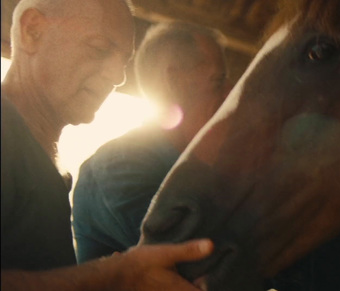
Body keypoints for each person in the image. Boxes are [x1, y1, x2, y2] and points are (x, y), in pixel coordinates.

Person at [1, 0, 215, 290]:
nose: (118, 76)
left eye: (124, 61)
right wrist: (113, 274)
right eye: (99, 48)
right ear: (33, 31)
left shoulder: (38, 159)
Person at [72, 21, 232, 263]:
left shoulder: (200, 167)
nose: (229, 93)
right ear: (174, 81)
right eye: (218, 81)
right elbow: (196, 255)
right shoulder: (120, 164)